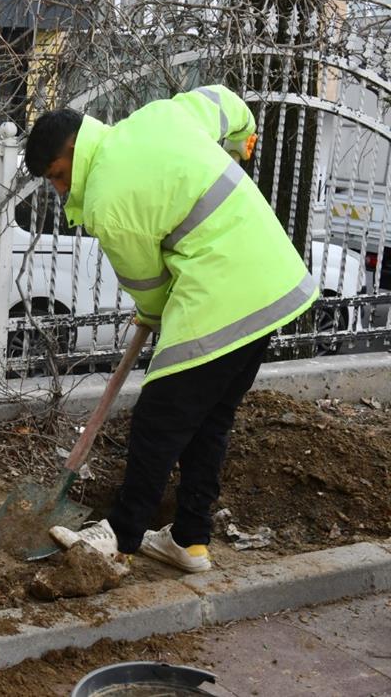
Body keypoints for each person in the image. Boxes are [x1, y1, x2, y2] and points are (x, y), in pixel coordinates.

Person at [25, 86, 318, 573]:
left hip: (222, 294)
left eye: (58, 177)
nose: (60, 191)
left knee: (160, 419)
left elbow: (151, 287)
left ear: (74, 150)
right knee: (209, 419)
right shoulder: (160, 115)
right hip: (277, 284)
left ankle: (118, 536)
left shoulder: (104, 200)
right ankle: (189, 539)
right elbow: (227, 103)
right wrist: (241, 142)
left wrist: (152, 311)